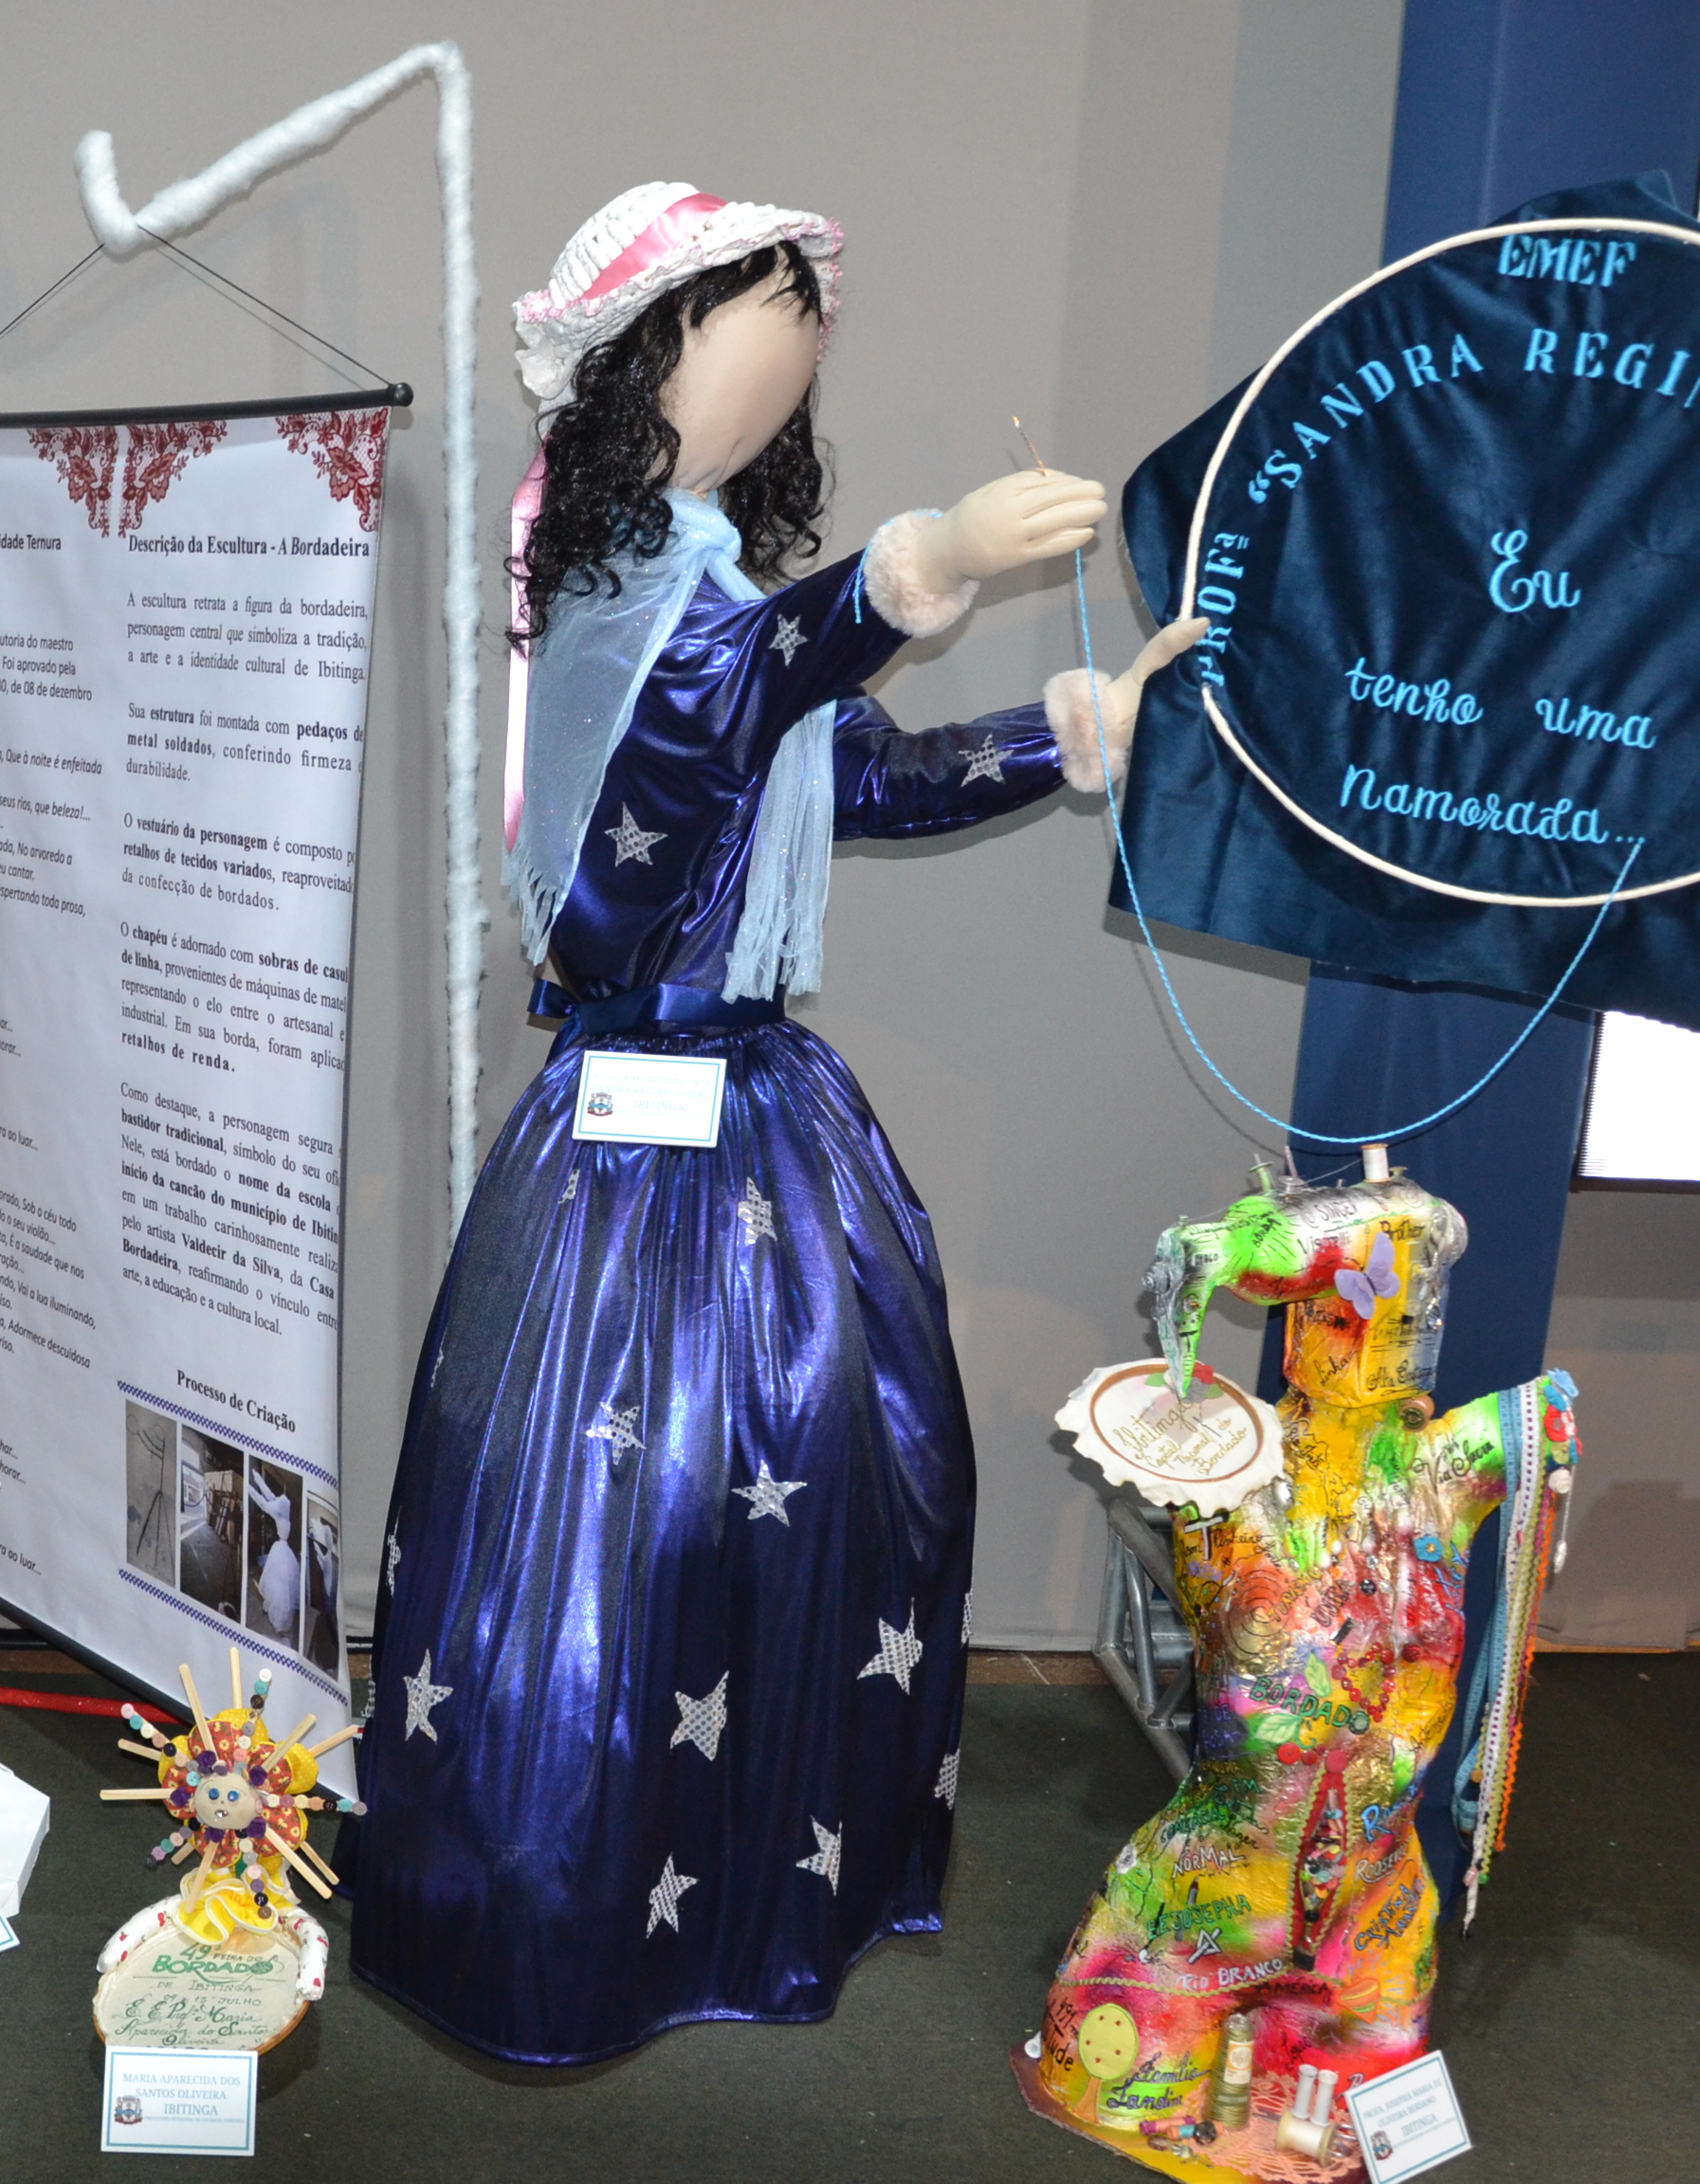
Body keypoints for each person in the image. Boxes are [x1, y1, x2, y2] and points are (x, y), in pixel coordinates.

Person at [351, 182, 1204, 2065]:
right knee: (613, 1523)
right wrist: (921, 562)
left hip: (761, 1116)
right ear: (639, 358)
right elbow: (707, 717)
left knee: (825, 1479)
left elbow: (854, 775)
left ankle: (747, 1875)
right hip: (630, 1142)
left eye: (795, 342)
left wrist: (1067, 736)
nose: (781, 358)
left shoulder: (718, 587)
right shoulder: (611, 598)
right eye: (751, 326)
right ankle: (566, 1906)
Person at [1028, 1172, 1576, 2156]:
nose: (1378, 1334)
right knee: (1122, 2059)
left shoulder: (1446, 1466)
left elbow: (1528, 1425)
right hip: (1214, 1893)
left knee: (1349, 2101)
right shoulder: (1236, 1464)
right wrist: (1237, 1255)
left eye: (1403, 1304)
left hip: (1372, 1910)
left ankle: (1302, 2044)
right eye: (1352, 1304)